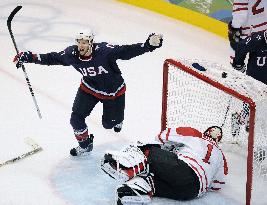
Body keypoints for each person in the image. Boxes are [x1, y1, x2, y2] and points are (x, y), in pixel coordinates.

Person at [13, 30, 163, 156]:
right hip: (89, 89)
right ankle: (85, 145)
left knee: (108, 125)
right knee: (75, 119)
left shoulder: (105, 51)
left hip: (113, 92)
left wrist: (148, 45)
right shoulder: (71, 53)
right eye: (79, 41)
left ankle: (118, 119)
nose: (81, 45)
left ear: (91, 43)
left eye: (84, 42)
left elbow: (126, 51)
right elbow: (52, 58)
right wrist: (29, 57)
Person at [101, 126, 228, 204]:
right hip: (192, 192)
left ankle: (125, 170)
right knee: (150, 180)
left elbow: (161, 136)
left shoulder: (195, 134)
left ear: (206, 132)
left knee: (145, 148)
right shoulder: (221, 157)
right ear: (218, 140)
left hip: (184, 170)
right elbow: (217, 186)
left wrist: (170, 149)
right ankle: (134, 193)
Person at [228, 0, 267, 136]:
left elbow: (240, 16)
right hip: (257, 40)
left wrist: (235, 28)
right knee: (255, 89)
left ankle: (248, 118)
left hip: (251, 33)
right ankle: (243, 118)